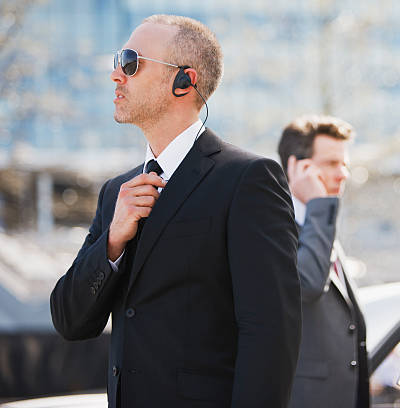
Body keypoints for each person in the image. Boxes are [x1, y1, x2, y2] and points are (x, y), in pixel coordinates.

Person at [50, 15, 301, 408]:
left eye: (131, 61)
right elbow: (70, 320)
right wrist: (113, 241)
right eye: (117, 60)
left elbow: (270, 333)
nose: (116, 75)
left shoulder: (248, 179)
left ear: (184, 81)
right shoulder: (116, 193)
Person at [277, 115, 370, 408]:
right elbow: (307, 284)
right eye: (331, 163)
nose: (342, 174)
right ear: (298, 167)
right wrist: (319, 207)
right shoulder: (275, 228)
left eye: (344, 164)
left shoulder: (322, 225)